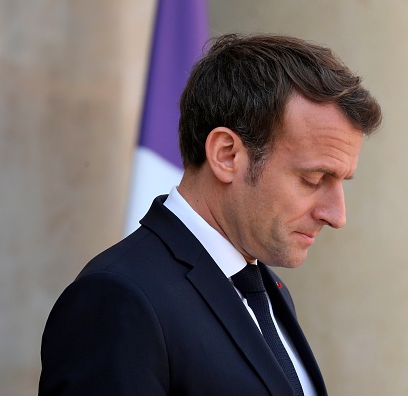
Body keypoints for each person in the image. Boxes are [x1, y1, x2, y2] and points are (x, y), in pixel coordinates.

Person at [39, 33, 382, 395]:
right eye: (313, 179)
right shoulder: (117, 300)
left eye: (342, 181)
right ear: (227, 155)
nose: (337, 215)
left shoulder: (264, 287)